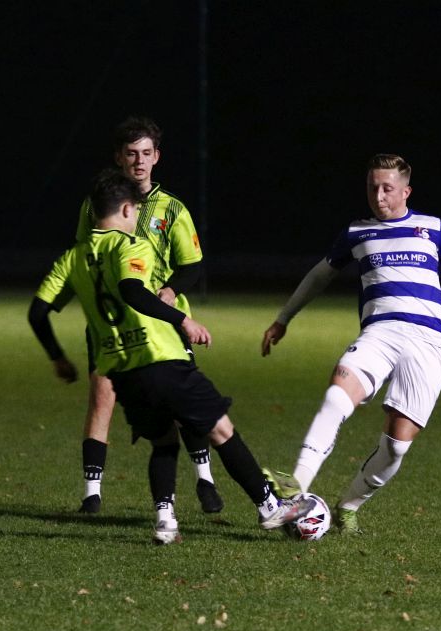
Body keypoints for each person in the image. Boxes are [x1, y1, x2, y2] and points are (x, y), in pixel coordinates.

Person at [30, 168, 312, 544]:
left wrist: (58, 358)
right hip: (160, 358)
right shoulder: (131, 245)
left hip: (122, 373)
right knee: (221, 429)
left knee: (163, 441)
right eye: (135, 210)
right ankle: (269, 507)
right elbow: (132, 290)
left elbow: (37, 313)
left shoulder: (72, 258)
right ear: (127, 209)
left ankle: (165, 522)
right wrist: (183, 320)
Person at [260, 153, 441, 534]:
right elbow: (318, 276)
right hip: (379, 333)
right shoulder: (357, 232)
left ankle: (349, 504)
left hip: (427, 341)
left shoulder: (434, 228)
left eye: (387, 189)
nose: (378, 196)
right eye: (372, 187)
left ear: (406, 191)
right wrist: (284, 318)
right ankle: (296, 487)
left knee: (396, 445)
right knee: (337, 395)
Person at [29, 116, 223, 515]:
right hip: (114, 323)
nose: (139, 161)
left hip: (163, 321)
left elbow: (192, 265)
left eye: (146, 153)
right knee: (101, 396)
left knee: (182, 404)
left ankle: (204, 479)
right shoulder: (96, 205)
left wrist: (171, 291)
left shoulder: (172, 208)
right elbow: (86, 254)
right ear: (118, 157)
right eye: (131, 153)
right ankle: (91, 495)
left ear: (157, 158)